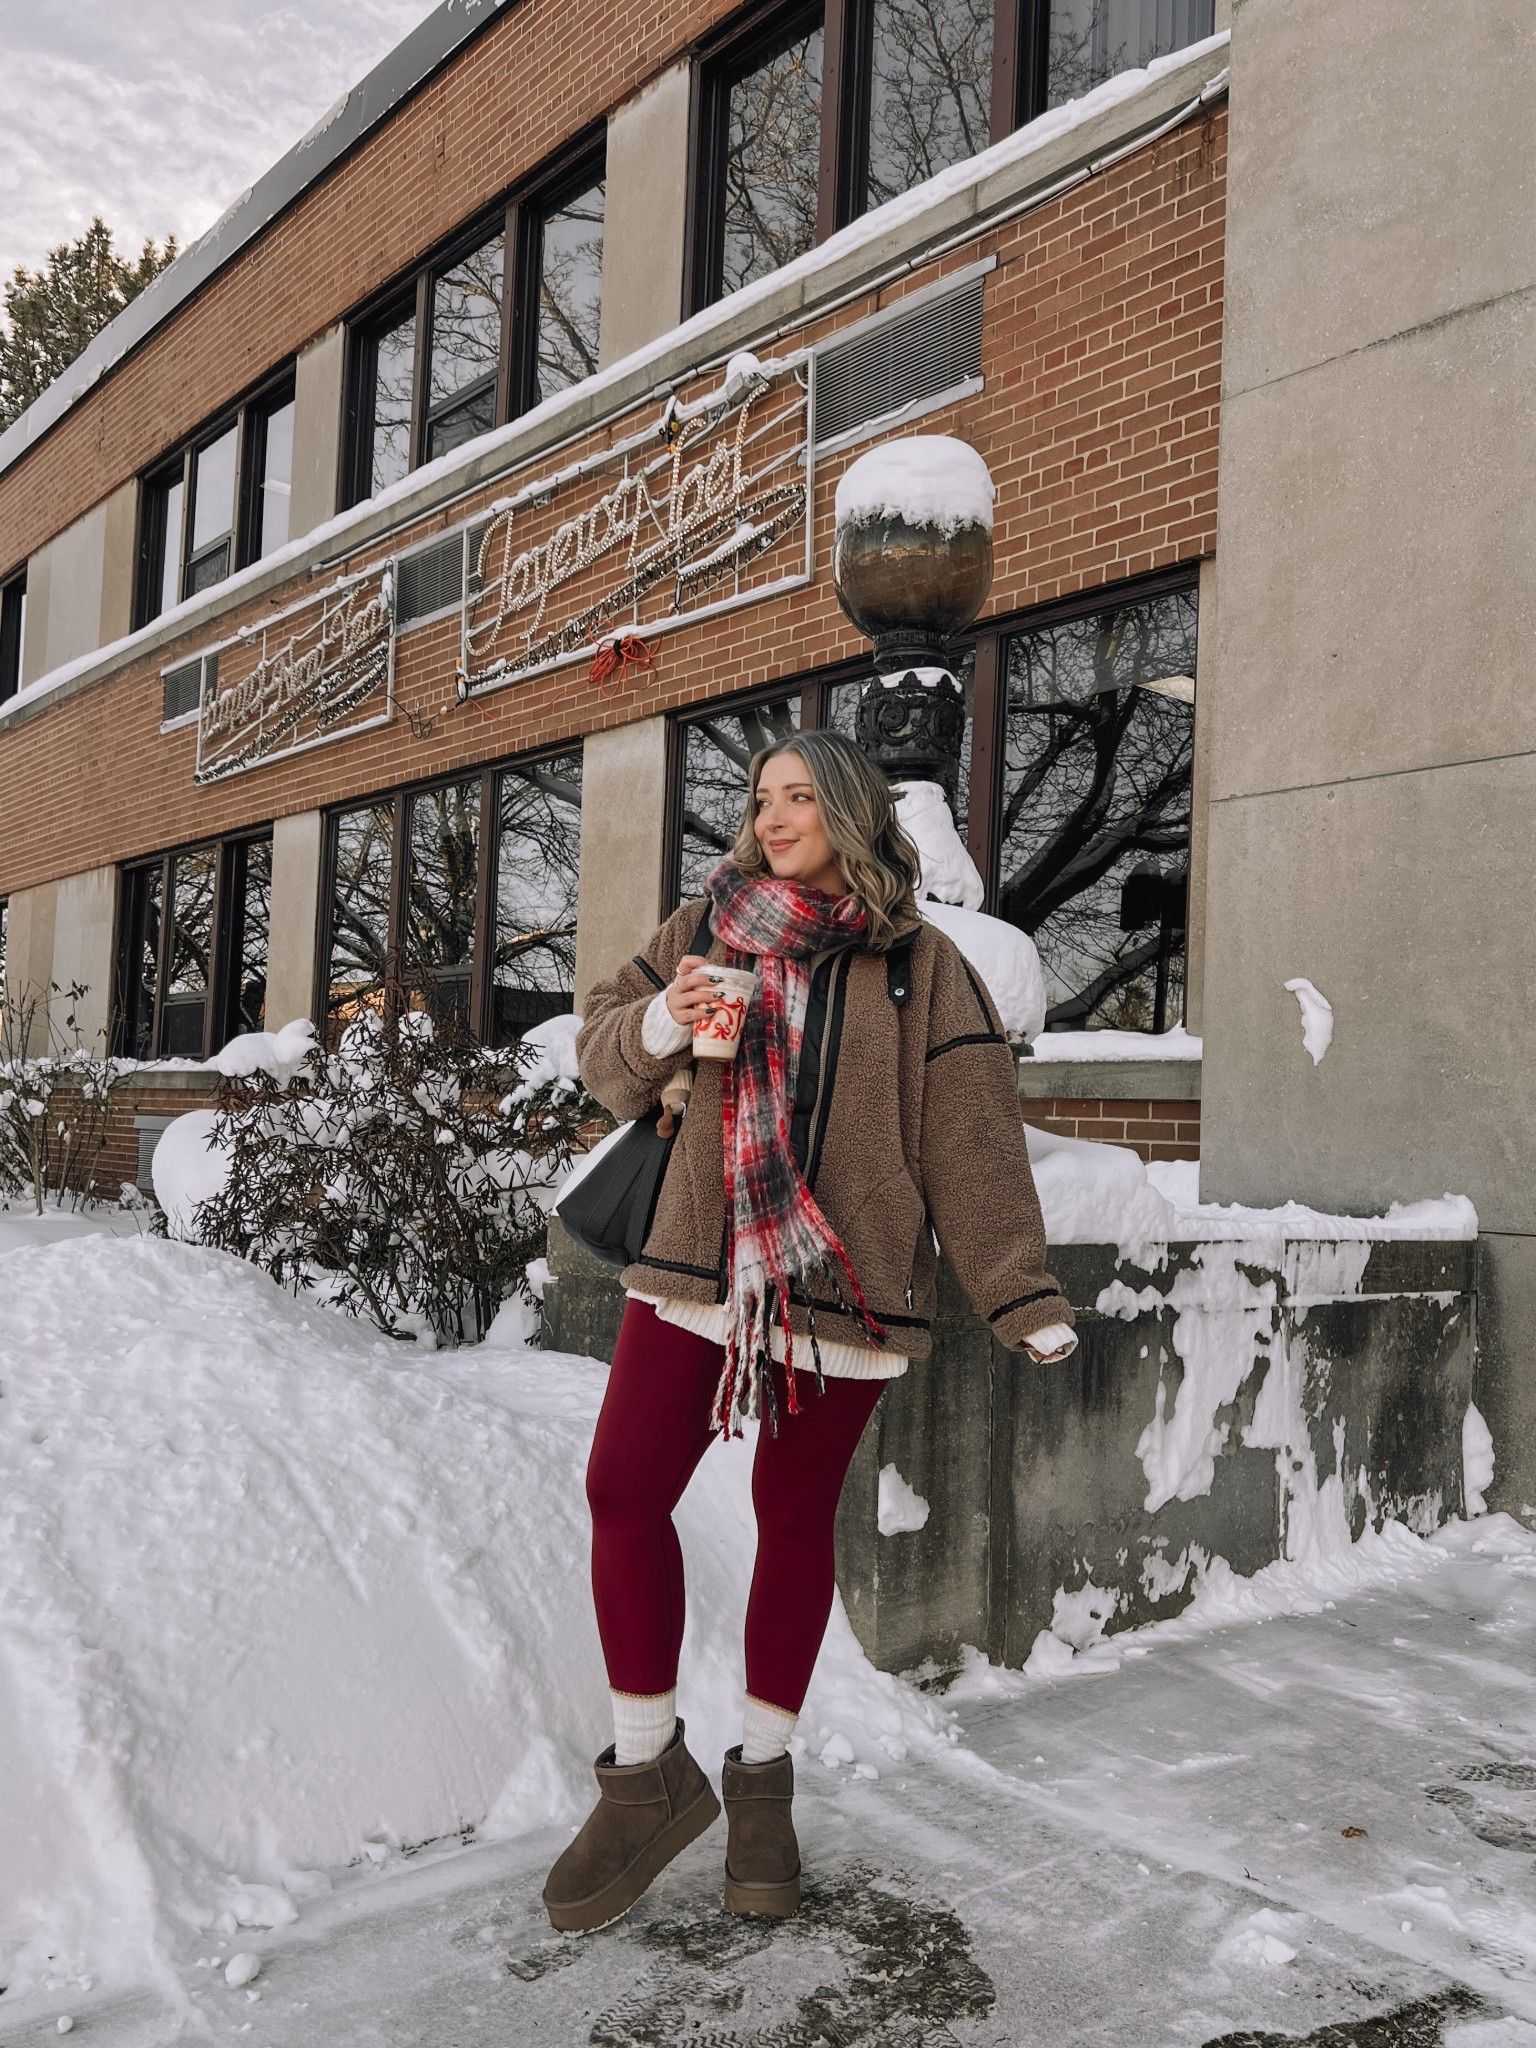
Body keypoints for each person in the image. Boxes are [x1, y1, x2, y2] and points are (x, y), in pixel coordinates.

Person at [545, 730, 1076, 1934]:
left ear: (846, 810)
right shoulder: (708, 924)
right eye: (760, 795)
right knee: (623, 1486)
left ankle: (764, 1785)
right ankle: (646, 1774)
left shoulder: (921, 966)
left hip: (848, 1282)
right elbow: (601, 1045)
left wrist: (1019, 1291)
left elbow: (971, 1137)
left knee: (792, 1518)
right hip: (698, 1259)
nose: (772, 814)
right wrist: (663, 1026)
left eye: (797, 795)